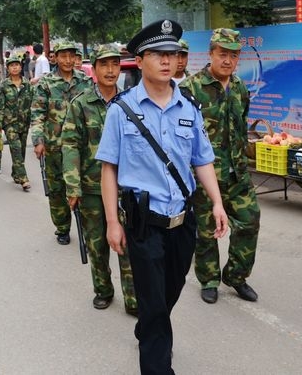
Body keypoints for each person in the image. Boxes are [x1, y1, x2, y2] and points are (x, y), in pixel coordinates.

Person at [96, 19, 229, 374]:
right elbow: (108, 169)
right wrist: (112, 222)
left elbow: (202, 160)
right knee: (153, 303)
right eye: (157, 53)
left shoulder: (189, 107)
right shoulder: (121, 111)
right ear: (139, 61)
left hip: (182, 221)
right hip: (144, 224)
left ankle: (149, 328)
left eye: (172, 53)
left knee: (169, 291)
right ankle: (157, 364)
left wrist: (216, 202)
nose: (167, 61)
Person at [179, 28, 261, 304]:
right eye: (222, 54)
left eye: (233, 55)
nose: (228, 60)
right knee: (206, 230)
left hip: (237, 172)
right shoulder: (189, 89)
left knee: (249, 222)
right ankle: (209, 279)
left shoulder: (239, 88)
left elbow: (241, 127)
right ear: (210, 54)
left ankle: (236, 276)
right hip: (203, 174)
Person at [61, 44, 137, 315]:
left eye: (114, 64)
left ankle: (133, 299)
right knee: (97, 244)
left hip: (126, 187)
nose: (110, 70)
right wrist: (73, 185)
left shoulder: (131, 102)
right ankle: (103, 289)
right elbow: (70, 145)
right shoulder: (81, 104)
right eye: (104, 65)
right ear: (93, 69)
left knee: (128, 244)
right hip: (92, 188)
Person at [30, 42, 92, 244]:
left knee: (82, 188)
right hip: (54, 148)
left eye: (71, 56)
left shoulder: (85, 81)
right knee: (57, 192)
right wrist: (38, 141)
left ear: (75, 58)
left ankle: (88, 227)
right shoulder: (46, 83)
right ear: (54, 58)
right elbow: (37, 114)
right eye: (62, 56)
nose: (67, 60)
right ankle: (63, 228)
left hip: (81, 148)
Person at [0, 56, 34, 191]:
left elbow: (33, 102)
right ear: (8, 68)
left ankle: (16, 172)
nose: (14, 67)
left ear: (20, 67)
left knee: (22, 150)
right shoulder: (4, 85)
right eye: (11, 65)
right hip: (10, 123)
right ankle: (24, 178)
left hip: (24, 122)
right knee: (16, 148)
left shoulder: (27, 84)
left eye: (17, 65)